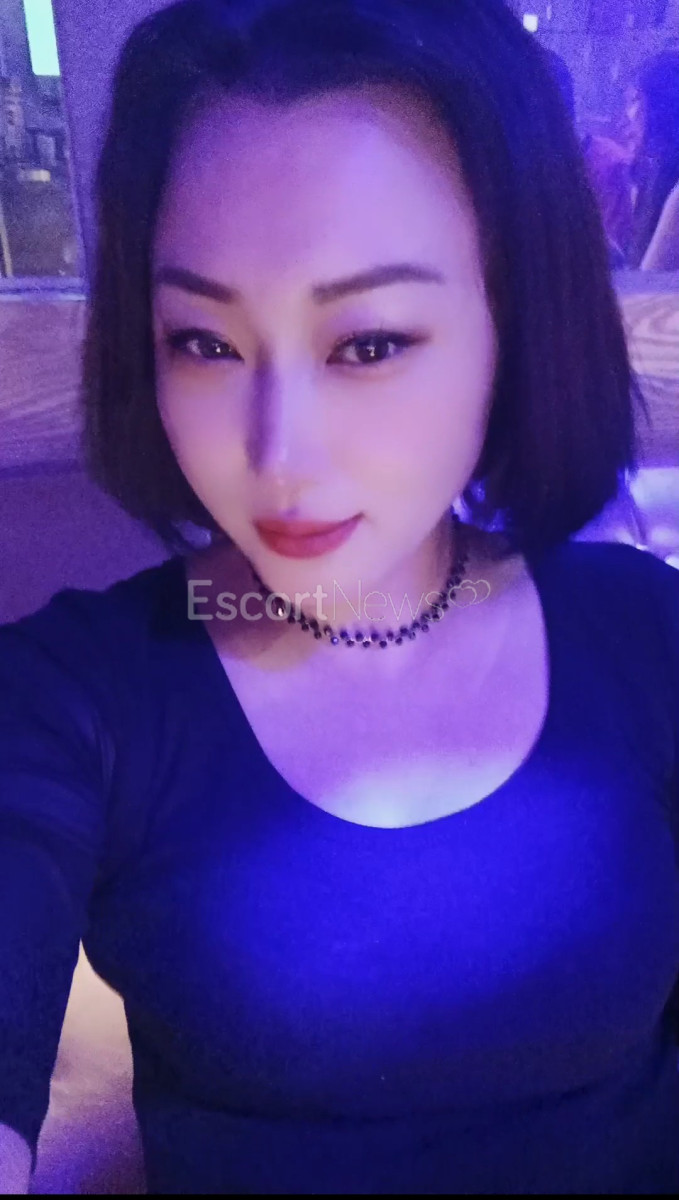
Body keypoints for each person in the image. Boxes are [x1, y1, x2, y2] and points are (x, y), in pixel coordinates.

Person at [1, 0, 678, 1194]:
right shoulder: (72, 701)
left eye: (366, 342)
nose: (278, 454)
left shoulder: (645, 634)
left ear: (510, 325)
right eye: (204, 342)